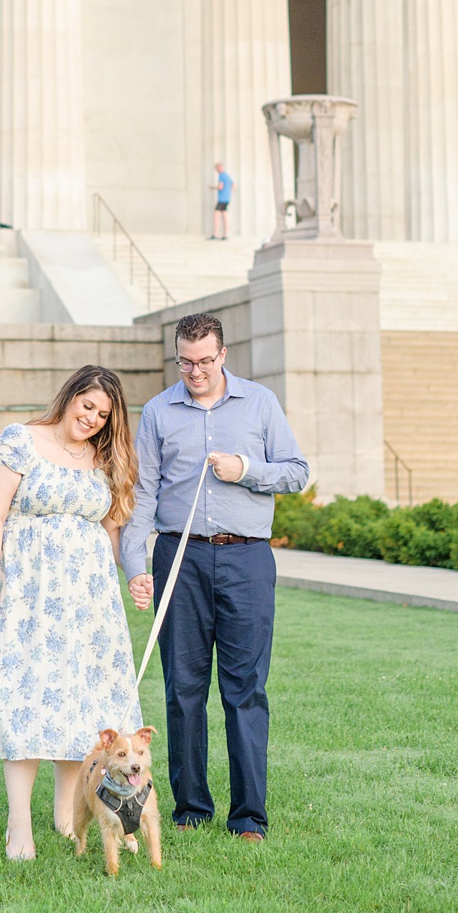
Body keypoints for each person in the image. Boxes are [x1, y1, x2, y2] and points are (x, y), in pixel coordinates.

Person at [120, 311, 310, 838]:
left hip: (247, 560)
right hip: (180, 559)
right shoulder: (159, 411)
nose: (196, 371)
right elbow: (143, 494)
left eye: (205, 361)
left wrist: (247, 470)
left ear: (223, 355)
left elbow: (297, 471)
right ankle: (190, 809)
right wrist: (136, 564)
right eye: (186, 362)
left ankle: (249, 816)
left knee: (245, 689)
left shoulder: (260, 403)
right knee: (183, 689)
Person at [0, 364, 143, 861]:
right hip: (30, 595)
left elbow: (113, 530)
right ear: (69, 397)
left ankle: (67, 814)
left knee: (82, 706)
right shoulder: (21, 440)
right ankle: (18, 825)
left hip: (90, 603)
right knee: (26, 702)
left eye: (102, 414)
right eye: (86, 406)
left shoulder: (103, 458)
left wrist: (133, 573)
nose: (91, 418)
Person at [208, 163, 232, 240]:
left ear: (220, 168)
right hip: (227, 198)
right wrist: (227, 191)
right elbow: (233, 185)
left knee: (216, 215)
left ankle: (215, 234)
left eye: (216, 168)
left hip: (222, 199)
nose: (216, 170)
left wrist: (213, 187)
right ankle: (226, 234)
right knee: (224, 215)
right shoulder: (227, 176)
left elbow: (220, 187)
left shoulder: (221, 176)